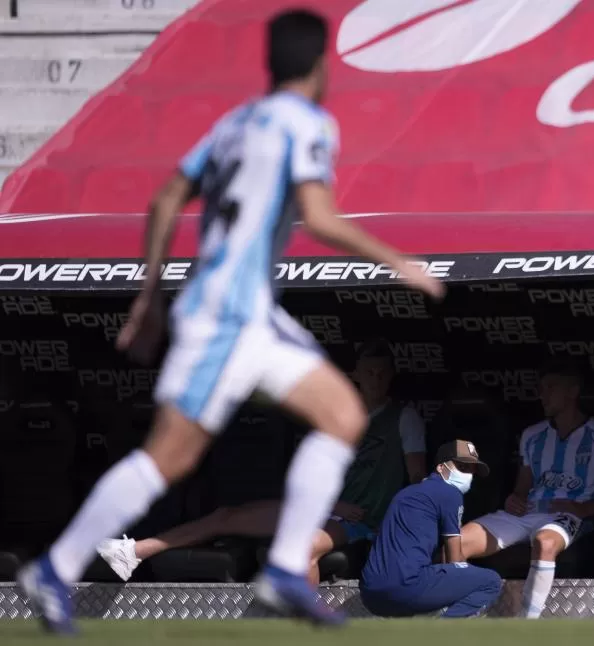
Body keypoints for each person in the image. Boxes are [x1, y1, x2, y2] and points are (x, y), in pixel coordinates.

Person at [17, 9, 444, 635]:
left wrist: (149, 295)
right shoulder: (307, 122)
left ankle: (281, 566)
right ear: (321, 65)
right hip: (227, 317)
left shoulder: (234, 122)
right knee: (168, 459)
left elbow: (165, 198)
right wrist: (399, 262)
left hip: (248, 315)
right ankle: (56, 567)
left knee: (344, 415)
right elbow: (319, 217)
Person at [95, 339, 428, 586]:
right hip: (321, 507)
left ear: (391, 375)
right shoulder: (336, 417)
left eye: (383, 373)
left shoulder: (403, 418)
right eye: (369, 372)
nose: (376, 378)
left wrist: (401, 523)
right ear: (355, 374)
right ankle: (134, 552)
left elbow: (416, 478)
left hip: (362, 518)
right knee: (225, 517)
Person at [460, 361, 594, 618]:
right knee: (455, 543)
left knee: (544, 541)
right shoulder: (532, 435)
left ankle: (528, 626)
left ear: (572, 392)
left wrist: (587, 508)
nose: (542, 394)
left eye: (550, 387)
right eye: (541, 388)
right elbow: (522, 487)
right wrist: (514, 499)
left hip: (569, 516)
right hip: (527, 513)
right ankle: (450, 620)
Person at [360, 440, 501, 619]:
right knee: (490, 581)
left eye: (472, 469)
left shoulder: (405, 492)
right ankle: (441, 634)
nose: (469, 474)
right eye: (461, 466)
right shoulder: (450, 493)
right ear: (441, 468)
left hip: (370, 591)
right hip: (407, 586)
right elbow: (454, 560)